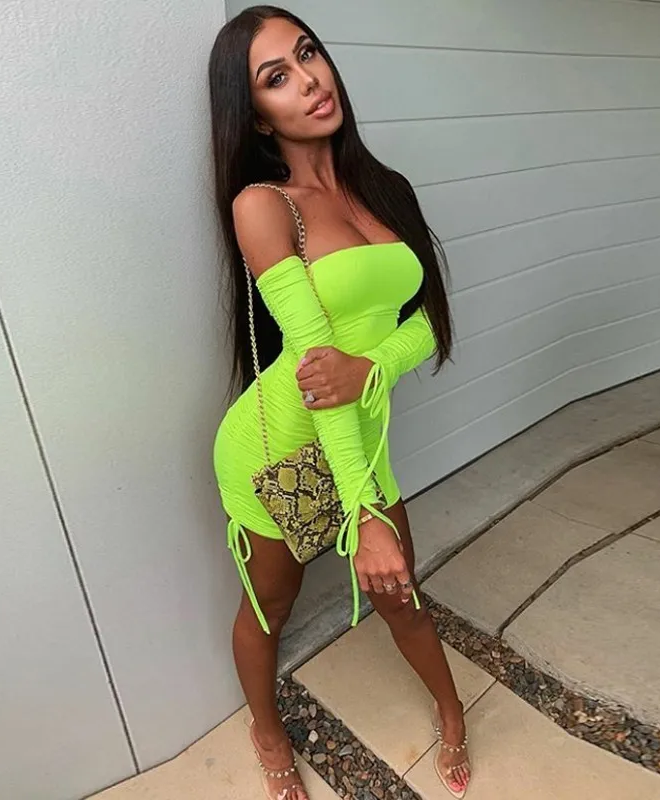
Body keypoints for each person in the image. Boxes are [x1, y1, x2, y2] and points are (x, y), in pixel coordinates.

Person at [209, 6, 470, 798]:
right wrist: (362, 515)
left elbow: (427, 324)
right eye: (276, 76)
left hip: (358, 429)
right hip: (279, 447)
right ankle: (266, 730)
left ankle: (453, 712)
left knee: (401, 595)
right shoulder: (264, 205)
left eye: (308, 53)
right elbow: (318, 373)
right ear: (258, 114)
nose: (309, 79)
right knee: (271, 605)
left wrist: (372, 369)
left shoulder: (387, 190)